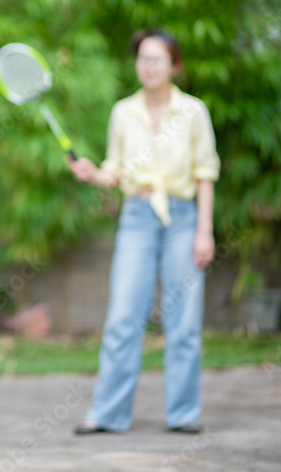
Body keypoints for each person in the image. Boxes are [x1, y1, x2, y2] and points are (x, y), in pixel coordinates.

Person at [69, 28, 220, 435]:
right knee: (123, 317)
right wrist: (92, 173)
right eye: (143, 58)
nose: (149, 66)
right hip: (137, 217)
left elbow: (205, 173)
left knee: (184, 321)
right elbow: (114, 171)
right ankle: (107, 414)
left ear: (174, 65)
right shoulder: (123, 112)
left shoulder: (193, 111)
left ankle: (183, 414)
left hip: (183, 219)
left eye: (158, 59)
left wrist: (204, 231)